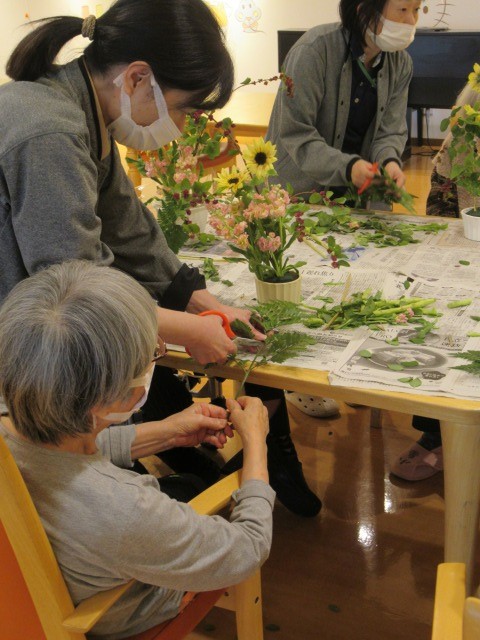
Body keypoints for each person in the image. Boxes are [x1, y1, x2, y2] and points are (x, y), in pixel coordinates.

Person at [0, 0, 321, 516]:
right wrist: (186, 329)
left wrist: (203, 303)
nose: (183, 126)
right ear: (137, 78)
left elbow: (130, 229)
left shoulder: (85, 110)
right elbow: (76, 290)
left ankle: (193, 463)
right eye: (184, 110)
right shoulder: (51, 131)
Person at [0, 260, 274, 639]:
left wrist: (165, 432)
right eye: (151, 356)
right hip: (123, 617)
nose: (152, 362)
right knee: (194, 487)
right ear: (109, 399)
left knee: (188, 482)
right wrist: (257, 443)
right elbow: (247, 549)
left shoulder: (16, 421)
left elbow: (60, 460)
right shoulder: (125, 510)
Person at [266, 0, 420, 418]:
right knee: (298, 285)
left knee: (358, 280)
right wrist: (348, 167)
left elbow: (391, 129)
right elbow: (296, 134)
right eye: (402, 10)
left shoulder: (399, 63)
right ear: (365, 8)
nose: (410, 22)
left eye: (417, 10)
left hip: (359, 186)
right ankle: (296, 378)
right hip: (301, 185)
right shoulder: (314, 51)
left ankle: (349, 367)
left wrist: (389, 161)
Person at [390, 82, 480, 481]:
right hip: (467, 250)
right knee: (437, 311)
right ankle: (435, 431)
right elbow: (439, 208)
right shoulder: (461, 141)